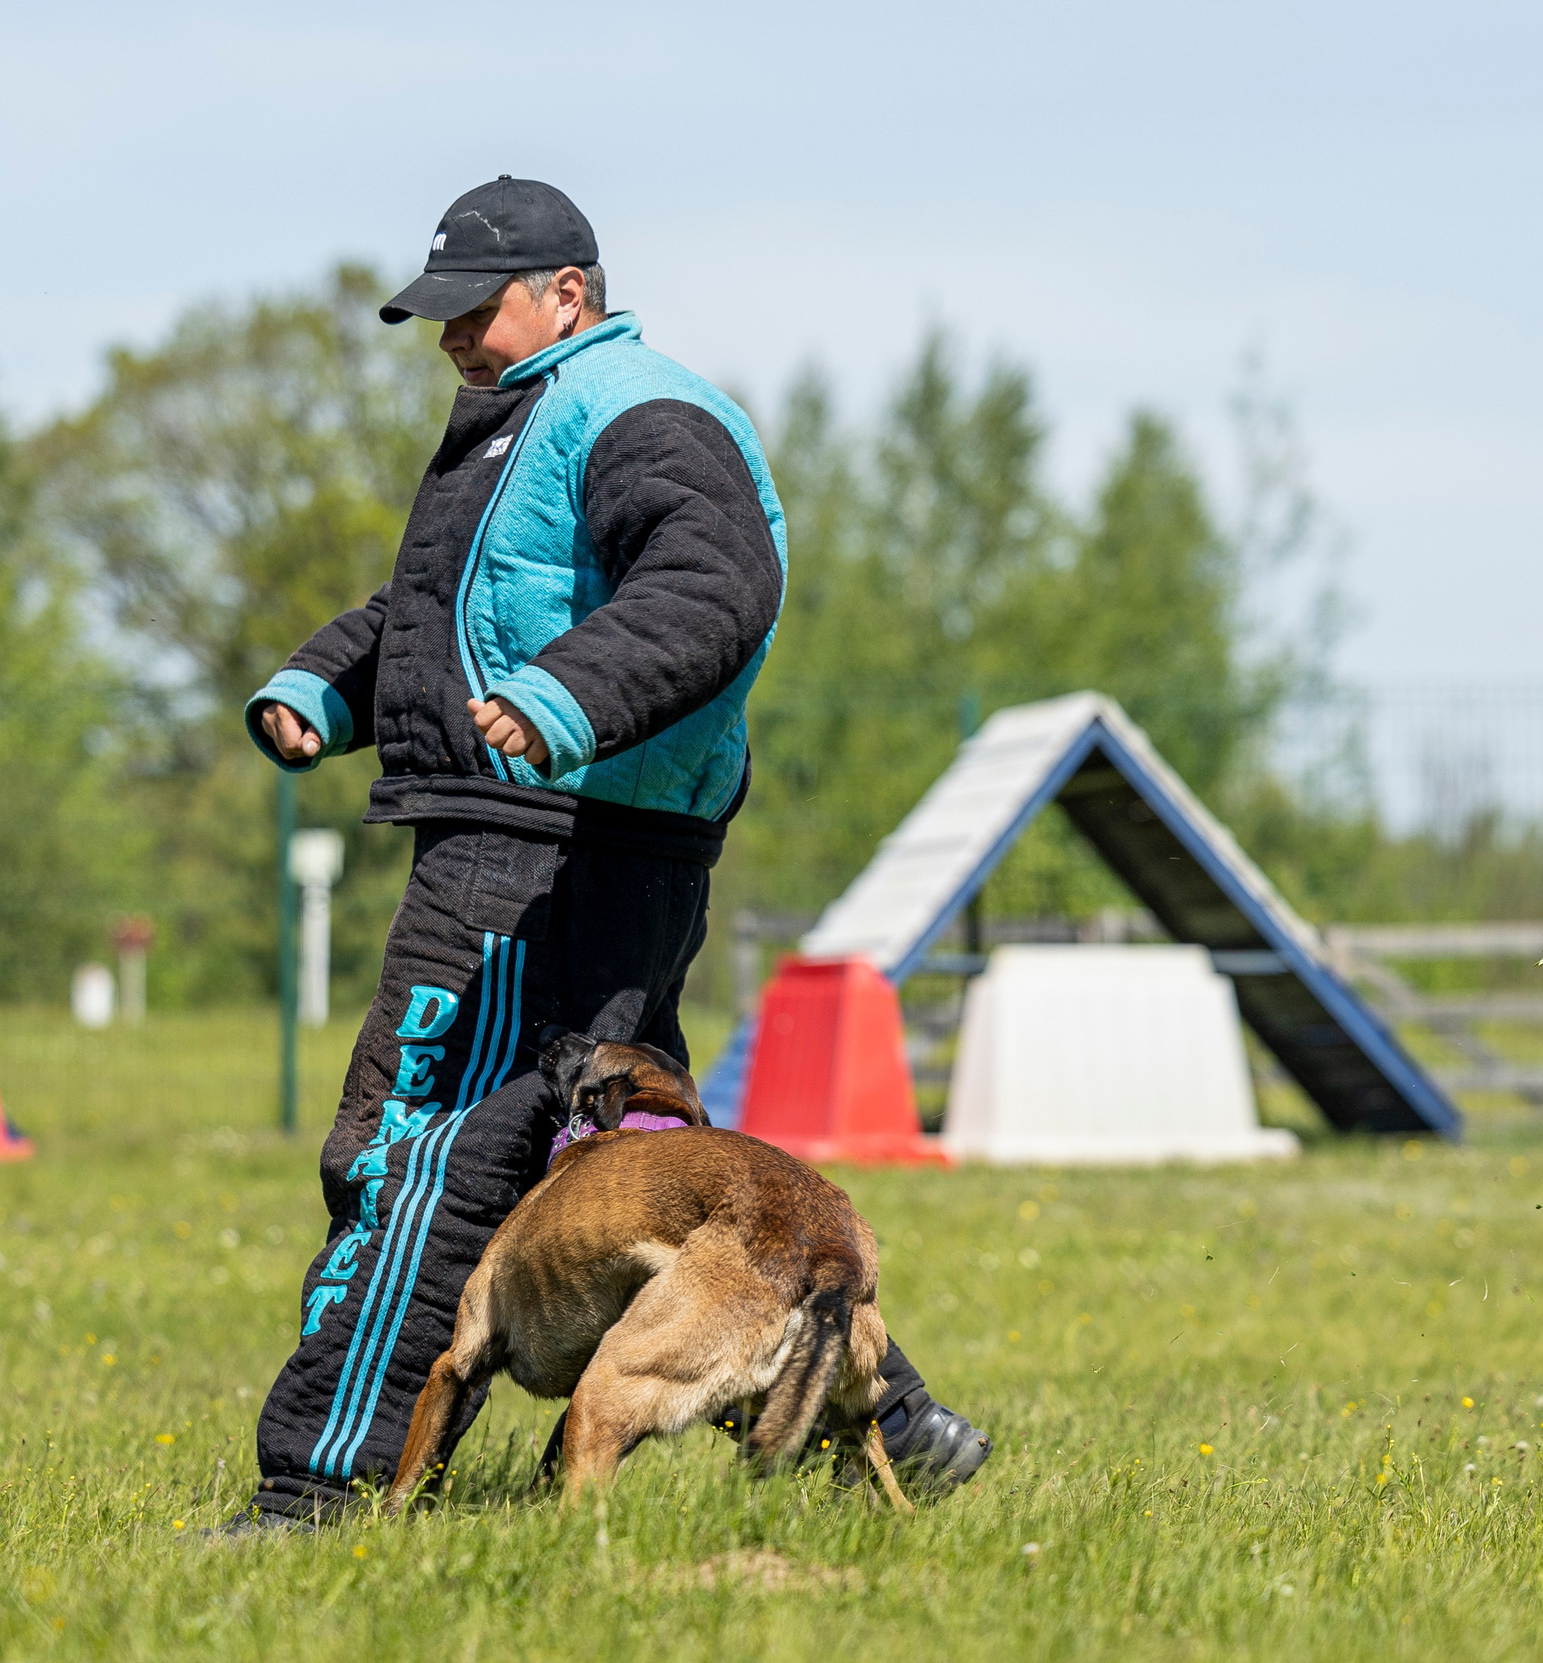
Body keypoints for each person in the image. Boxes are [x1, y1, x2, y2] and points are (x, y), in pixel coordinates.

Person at [233, 176, 989, 1527]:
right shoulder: (518, 425)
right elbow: (428, 613)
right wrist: (322, 690)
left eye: (478, 309)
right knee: (633, 1145)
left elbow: (715, 585)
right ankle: (892, 1417)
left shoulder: (634, 408)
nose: (454, 337)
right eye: (439, 317)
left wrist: (562, 700)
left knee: (422, 1141)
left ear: (568, 292)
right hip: (583, 833)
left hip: (546, 842)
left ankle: (320, 1484)